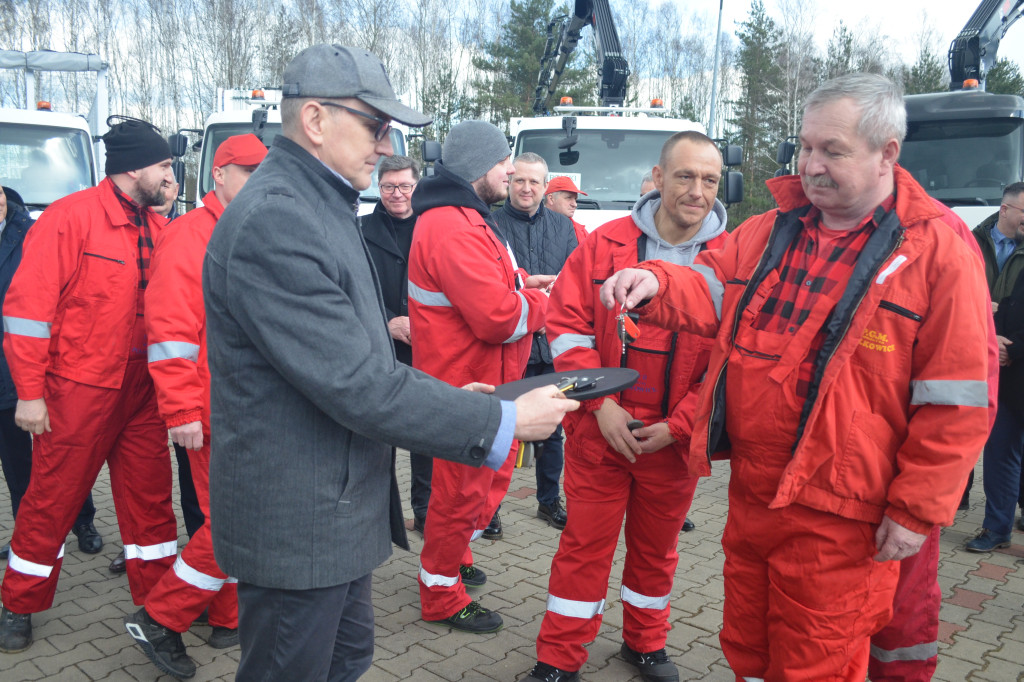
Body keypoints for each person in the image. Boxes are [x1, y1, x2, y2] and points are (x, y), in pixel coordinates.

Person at [202, 45, 576, 681]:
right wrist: (496, 419)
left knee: (346, 661)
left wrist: (462, 397)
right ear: (316, 120)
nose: (385, 145)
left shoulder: (321, 204)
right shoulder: (280, 220)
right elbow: (357, 383)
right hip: (302, 521)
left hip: (336, 512)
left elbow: (356, 357)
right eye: (375, 125)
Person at [599, 73, 991, 680]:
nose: (810, 165)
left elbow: (957, 400)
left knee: (816, 664)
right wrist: (656, 281)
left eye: (831, 151)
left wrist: (916, 510)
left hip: (843, 512)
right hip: (754, 491)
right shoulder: (774, 228)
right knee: (749, 649)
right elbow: (710, 283)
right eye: (805, 147)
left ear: (887, 152)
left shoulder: (937, 251)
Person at [522, 131, 728, 682]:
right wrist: (601, 407)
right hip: (600, 433)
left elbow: (728, 362)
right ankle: (559, 658)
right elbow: (566, 327)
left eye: (709, 180)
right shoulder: (603, 244)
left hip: (671, 441)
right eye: (685, 176)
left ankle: (644, 645)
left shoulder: (729, 262)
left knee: (656, 554)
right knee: (584, 547)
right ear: (658, 178)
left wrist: (679, 426)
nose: (697, 191)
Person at [0, 118, 180, 654]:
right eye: (165, 165)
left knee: (151, 503)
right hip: (80, 389)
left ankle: (158, 608)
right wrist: (30, 392)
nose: (171, 174)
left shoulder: (157, 223)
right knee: (52, 499)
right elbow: (28, 312)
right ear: (133, 168)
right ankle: (19, 602)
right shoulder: (69, 219)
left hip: (142, 391)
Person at [122, 134, 268, 679]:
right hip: (211, 409)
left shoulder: (247, 228)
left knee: (225, 518)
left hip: (246, 408)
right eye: (248, 171)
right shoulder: (190, 236)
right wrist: (181, 410)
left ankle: (226, 616)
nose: (259, 181)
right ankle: (162, 616)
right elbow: (170, 331)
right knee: (234, 521)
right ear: (219, 176)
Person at [410, 121, 554, 634]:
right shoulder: (452, 225)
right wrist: (543, 301)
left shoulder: (468, 218)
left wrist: (522, 283)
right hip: (465, 386)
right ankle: (441, 593)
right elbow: (495, 317)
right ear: (476, 167)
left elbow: (493, 288)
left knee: (482, 484)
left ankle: (455, 558)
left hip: (486, 381)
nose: (511, 171)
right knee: (459, 494)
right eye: (502, 163)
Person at [0, 187, 103, 563]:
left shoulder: (33, 232)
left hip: (40, 368)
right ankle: (24, 535)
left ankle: (84, 523)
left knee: (66, 458)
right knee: (17, 464)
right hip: (3, 371)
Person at [494, 153, 578, 533]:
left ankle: (548, 501)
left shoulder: (564, 227)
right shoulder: (489, 225)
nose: (526, 188)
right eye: (519, 181)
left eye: (534, 182)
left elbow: (575, 281)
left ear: (546, 188)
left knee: (553, 430)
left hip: (551, 346)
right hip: (510, 345)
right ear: (510, 182)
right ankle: (489, 508)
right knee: (501, 428)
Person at [359, 155, 432, 535]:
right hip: (379, 349)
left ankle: (425, 512)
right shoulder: (359, 230)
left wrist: (423, 324)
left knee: (425, 437)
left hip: (427, 349)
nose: (397, 194)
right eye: (389, 186)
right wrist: (387, 320)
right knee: (377, 438)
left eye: (405, 186)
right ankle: (375, 515)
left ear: (416, 187)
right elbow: (352, 288)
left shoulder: (433, 227)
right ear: (378, 186)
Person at [965, 181, 1024, 554]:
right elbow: (954, 293)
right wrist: (989, 335)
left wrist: (1011, 348)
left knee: (1008, 449)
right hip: (978, 353)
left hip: (1013, 359)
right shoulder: (970, 242)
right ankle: (994, 523)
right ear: (1005, 209)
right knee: (995, 448)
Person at [544, 175, 589, 245]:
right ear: (551, 198)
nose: (575, 204)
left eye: (575, 199)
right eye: (568, 198)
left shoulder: (581, 232)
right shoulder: (532, 227)